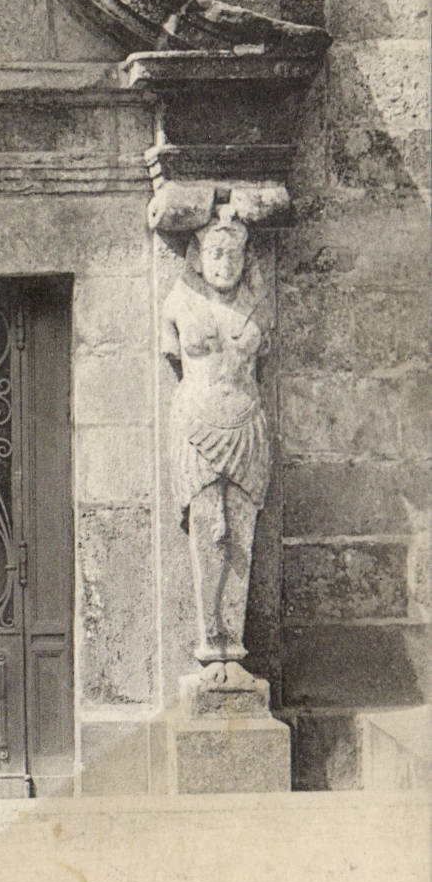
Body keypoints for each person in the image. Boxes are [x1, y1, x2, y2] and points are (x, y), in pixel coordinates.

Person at [160, 207, 271, 678]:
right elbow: (171, 351)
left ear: (247, 259)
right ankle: (210, 643)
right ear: (197, 254)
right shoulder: (178, 303)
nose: (225, 262)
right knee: (207, 528)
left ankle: (236, 645)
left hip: (246, 424)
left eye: (234, 253)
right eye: (216, 252)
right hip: (196, 425)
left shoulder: (258, 306)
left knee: (241, 535)